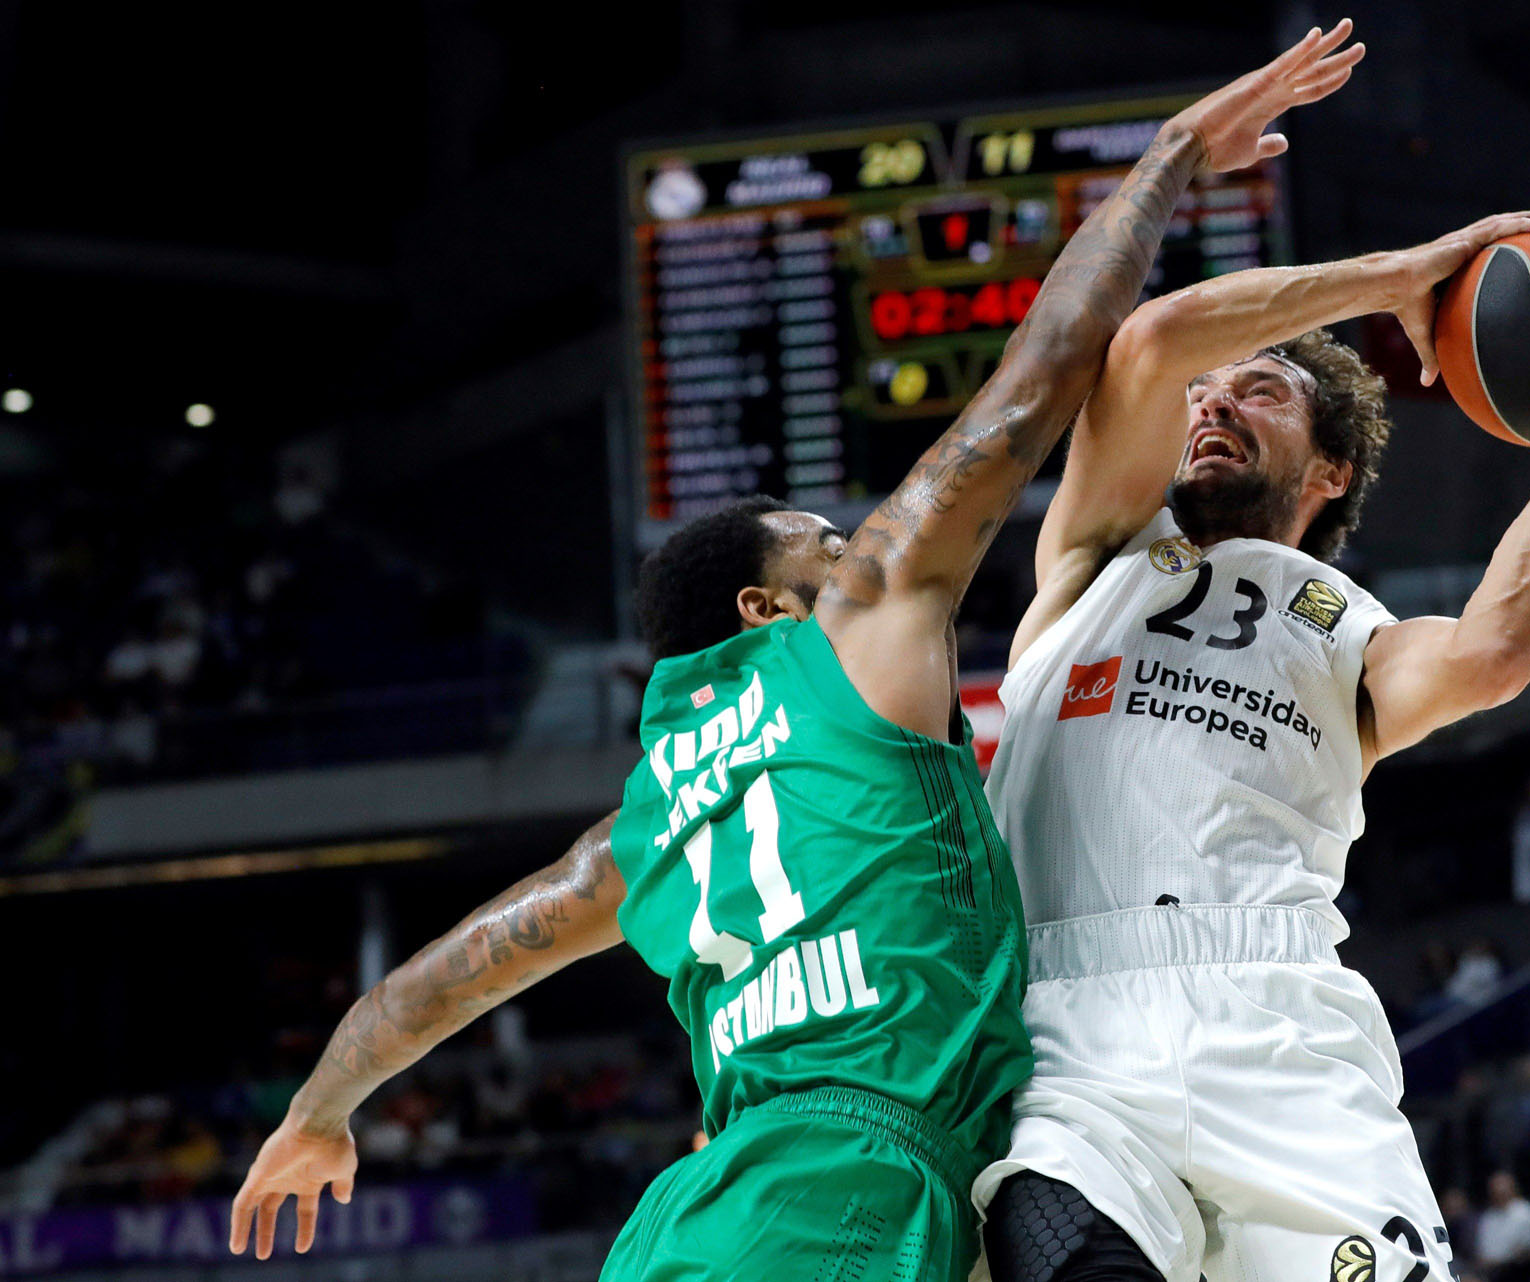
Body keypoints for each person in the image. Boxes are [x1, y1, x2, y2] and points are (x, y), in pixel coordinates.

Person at [223, 32, 1366, 1282]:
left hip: (700, 1204)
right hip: (840, 1188)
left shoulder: (642, 826)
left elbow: (442, 977)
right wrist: (1170, 157)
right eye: (823, 544)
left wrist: (321, 1109)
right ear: (770, 608)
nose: (853, 544)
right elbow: (1044, 371)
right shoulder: (854, 637)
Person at [975, 149, 1530, 1277]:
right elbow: (1153, 343)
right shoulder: (1091, 557)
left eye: (1259, 390)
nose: (1213, 402)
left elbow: (1496, 654)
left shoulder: (1356, 634)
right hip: (1068, 1036)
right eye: (1211, 393)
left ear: (1334, 468)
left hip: (1280, 1023)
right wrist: (1397, 275)